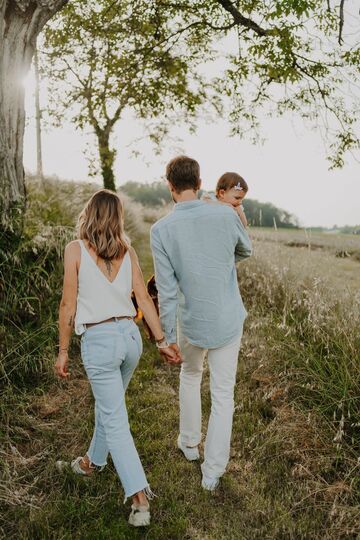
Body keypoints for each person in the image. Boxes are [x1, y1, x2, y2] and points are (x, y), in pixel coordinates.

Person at [55, 189, 179, 527]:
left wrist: (63, 350)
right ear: (119, 218)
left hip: (100, 340)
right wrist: (161, 340)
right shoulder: (128, 251)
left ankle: (140, 500)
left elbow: (68, 305)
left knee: (114, 418)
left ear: (88, 213)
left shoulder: (75, 250)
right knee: (108, 408)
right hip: (130, 339)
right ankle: (91, 463)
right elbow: (143, 299)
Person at [150, 156, 252, 491]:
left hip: (191, 320)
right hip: (226, 317)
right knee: (224, 393)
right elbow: (245, 250)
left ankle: (189, 442)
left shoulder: (160, 230)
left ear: (170, 185)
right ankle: (212, 472)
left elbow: (165, 290)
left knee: (190, 375)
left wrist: (164, 338)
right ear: (200, 181)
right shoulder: (225, 213)